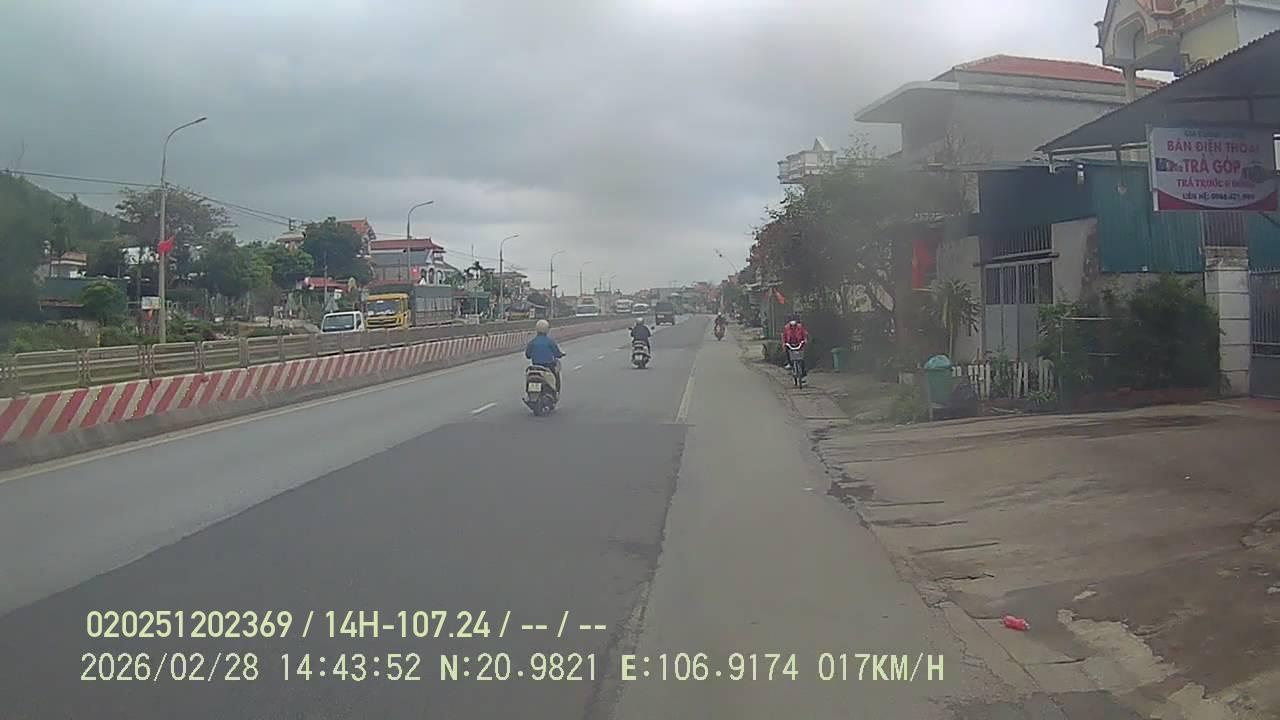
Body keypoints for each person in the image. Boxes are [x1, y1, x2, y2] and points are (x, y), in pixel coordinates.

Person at [525, 319, 564, 391]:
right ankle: (556, 390)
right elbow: (557, 353)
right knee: (556, 375)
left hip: (535, 366)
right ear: (547, 329)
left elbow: (528, 355)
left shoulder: (532, 342)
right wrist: (561, 354)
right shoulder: (550, 341)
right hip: (548, 366)